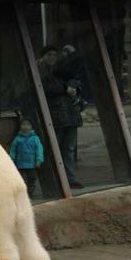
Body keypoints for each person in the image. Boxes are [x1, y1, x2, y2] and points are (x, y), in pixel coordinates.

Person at [37, 45, 85, 189]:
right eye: (49, 55)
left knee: (68, 149)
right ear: (44, 57)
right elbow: (45, 87)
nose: (52, 58)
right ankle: (55, 179)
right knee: (55, 148)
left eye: (54, 54)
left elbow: (76, 81)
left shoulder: (63, 69)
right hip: (55, 115)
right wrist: (66, 89)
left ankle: (70, 178)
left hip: (69, 114)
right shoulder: (40, 71)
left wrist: (73, 88)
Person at [9, 119, 44, 198]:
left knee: (31, 179)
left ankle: (30, 192)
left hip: (31, 164)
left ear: (32, 127)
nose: (25, 127)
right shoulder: (17, 139)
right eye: (23, 124)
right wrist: (11, 160)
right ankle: (22, 193)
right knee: (21, 179)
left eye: (28, 125)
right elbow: (13, 151)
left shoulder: (35, 139)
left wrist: (39, 160)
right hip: (20, 164)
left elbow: (39, 150)